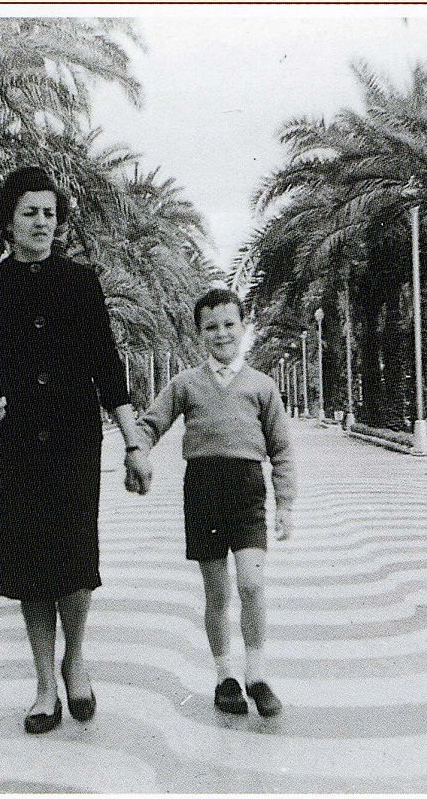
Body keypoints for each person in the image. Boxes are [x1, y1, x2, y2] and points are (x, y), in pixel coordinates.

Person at [0, 166, 151, 734]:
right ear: (7, 222)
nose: (42, 222)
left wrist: (134, 441)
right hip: (12, 441)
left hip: (71, 438)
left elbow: (108, 369)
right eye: (30, 212)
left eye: (50, 213)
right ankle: (43, 683)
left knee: (75, 556)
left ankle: (75, 659)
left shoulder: (79, 282)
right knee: (29, 562)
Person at [125, 288, 295, 717]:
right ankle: (225, 678)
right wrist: (138, 449)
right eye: (211, 327)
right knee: (217, 592)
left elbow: (281, 449)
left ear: (243, 327)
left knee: (252, 584)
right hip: (202, 489)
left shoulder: (262, 386)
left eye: (229, 325)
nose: (221, 334)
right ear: (200, 333)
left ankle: (256, 674)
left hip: (247, 489)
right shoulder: (185, 383)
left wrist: (285, 503)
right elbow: (151, 422)